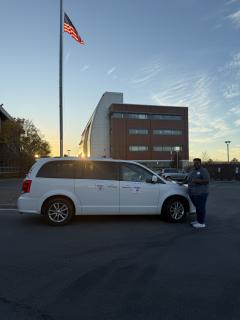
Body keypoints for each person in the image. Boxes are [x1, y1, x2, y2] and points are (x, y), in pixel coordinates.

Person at [187, 158, 210, 229]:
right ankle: (198, 220)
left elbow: (207, 181)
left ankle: (201, 223)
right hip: (193, 193)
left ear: (200, 163)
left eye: (197, 163)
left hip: (201, 193)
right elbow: (188, 179)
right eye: (194, 163)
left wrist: (197, 181)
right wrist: (182, 182)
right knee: (197, 207)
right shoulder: (193, 171)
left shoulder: (203, 170)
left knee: (201, 208)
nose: (195, 164)